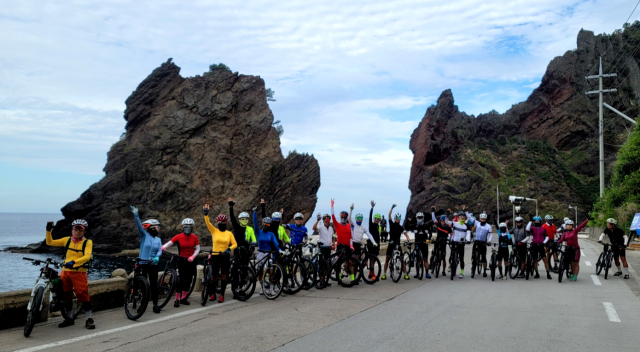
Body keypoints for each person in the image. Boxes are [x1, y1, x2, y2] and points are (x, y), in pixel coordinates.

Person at [45, 219, 95, 329]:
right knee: (67, 295)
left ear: (84, 231)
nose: (77, 232)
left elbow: (87, 256)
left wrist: (74, 262)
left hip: (79, 272)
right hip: (66, 272)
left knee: (83, 295)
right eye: (75, 229)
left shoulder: (87, 242)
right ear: (72, 230)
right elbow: (50, 242)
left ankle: (89, 319)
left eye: (80, 230)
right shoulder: (67, 240)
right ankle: (69, 318)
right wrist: (48, 230)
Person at [130, 206, 163, 313]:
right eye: (158, 227)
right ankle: (142, 304)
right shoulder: (144, 236)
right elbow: (139, 226)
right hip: (142, 263)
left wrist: (157, 257)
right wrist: (136, 215)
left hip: (153, 264)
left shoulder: (158, 239)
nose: (159, 229)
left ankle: (155, 304)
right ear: (152, 227)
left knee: (153, 285)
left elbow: (160, 250)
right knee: (143, 285)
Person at [203, 204, 237, 303]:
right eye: (220, 222)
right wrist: (206, 214)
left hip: (225, 256)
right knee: (214, 276)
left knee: (224, 276)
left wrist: (229, 249)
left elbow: (235, 244)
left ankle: (222, 294)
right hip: (215, 255)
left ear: (226, 223)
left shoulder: (229, 233)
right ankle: (213, 293)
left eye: (223, 222)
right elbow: (208, 223)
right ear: (217, 223)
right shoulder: (214, 231)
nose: (222, 224)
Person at [162, 218, 201, 307]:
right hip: (182, 260)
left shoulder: (194, 237)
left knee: (189, 279)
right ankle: (176, 299)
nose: (187, 228)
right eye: (186, 226)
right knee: (181, 279)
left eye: (189, 226)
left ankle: (184, 298)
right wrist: (163, 247)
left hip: (191, 260)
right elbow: (169, 243)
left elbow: (198, 248)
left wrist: (193, 256)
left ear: (192, 227)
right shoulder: (178, 236)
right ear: (183, 226)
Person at [228, 198, 255, 299]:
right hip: (237, 250)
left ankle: (240, 288)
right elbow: (232, 218)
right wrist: (231, 207)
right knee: (235, 270)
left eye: (246, 219)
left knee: (244, 271)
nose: (244, 221)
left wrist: (253, 245)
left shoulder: (250, 229)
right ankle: (234, 289)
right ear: (240, 220)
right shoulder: (236, 227)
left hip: (246, 252)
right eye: (242, 219)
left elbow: (253, 238)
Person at [252, 206, 282, 295]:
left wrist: (279, 250)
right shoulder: (258, 232)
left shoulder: (271, 233)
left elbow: (276, 243)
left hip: (269, 254)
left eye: (268, 224)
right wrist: (254, 213)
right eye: (265, 224)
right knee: (260, 272)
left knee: (271, 271)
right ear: (263, 223)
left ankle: (272, 289)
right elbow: (255, 223)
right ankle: (262, 288)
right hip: (260, 253)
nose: (266, 225)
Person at [382, 204, 411, 280]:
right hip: (391, 243)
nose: (398, 219)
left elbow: (406, 234)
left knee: (402, 259)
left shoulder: (401, 227)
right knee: (387, 259)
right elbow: (389, 215)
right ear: (395, 219)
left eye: (399, 218)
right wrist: (392, 208)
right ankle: (384, 274)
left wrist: (408, 240)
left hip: (397, 244)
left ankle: (405, 274)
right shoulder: (391, 224)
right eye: (397, 218)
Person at [331, 199, 357, 282]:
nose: (343, 219)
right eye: (342, 217)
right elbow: (333, 216)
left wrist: (351, 245)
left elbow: (350, 237)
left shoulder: (349, 225)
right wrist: (332, 205)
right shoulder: (337, 225)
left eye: (344, 217)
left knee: (350, 263)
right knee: (338, 263)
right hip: (340, 245)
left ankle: (353, 279)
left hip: (348, 246)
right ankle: (339, 278)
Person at [352, 210, 379, 281]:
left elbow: (370, 235)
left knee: (369, 260)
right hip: (356, 244)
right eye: (358, 218)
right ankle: (355, 277)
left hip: (373, 245)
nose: (359, 220)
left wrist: (375, 243)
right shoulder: (371, 224)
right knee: (356, 260)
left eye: (361, 218)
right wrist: (372, 208)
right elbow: (349, 219)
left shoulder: (376, 226)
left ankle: (370, 274)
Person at [467, 209, 492, 278]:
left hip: (483, 242)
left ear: (486, 219)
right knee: (473, 254)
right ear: (480, 219)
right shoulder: (477, 223)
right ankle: (473, 264)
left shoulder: (488, 226)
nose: (483, 220)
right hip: (476, 241)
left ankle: (484, 271)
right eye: (481, 219)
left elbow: (490, 235)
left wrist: (489, 241)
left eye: (484, 219)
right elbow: (470, 218)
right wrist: (466, 211)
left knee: (483, 257)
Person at [407, 211, 433, 279]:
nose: (420, 219)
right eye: (418, 218)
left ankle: (427, 273)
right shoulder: (414, 225)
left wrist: (428, 239)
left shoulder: (426, 226)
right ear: (416, 218)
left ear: (423, 218)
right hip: (417, 243)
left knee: (425, 259)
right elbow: (407, 227)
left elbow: (430, 233)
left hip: (424, 243)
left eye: (421, 217)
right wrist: (408, 220)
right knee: (418, 259)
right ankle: (417, 273)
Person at [431, 206, 453, 277]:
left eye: (444, 220)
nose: (443, 221)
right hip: (437, 241)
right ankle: (431, 265)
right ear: (440, 220)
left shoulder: (448, 227)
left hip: (444, 243)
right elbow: (434, 219)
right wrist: (433, 211)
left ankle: (443, 270)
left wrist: (450, 240)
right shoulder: (439, 225)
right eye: (442, 220)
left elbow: (451, 234)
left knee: (443, 258)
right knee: (433, 254)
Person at [451, 212, 472, 279]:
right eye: (460, 216)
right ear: (458, 217)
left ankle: (462, 272)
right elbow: (448, 224)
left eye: (463, 216)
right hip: (454, 242)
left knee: (461, 258)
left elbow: (468, 234)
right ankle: (451, 265)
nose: (462, 217)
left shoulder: (467, 225)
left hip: (461, 243)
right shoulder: (455, 223)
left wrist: (468, 240)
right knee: (452, 255)